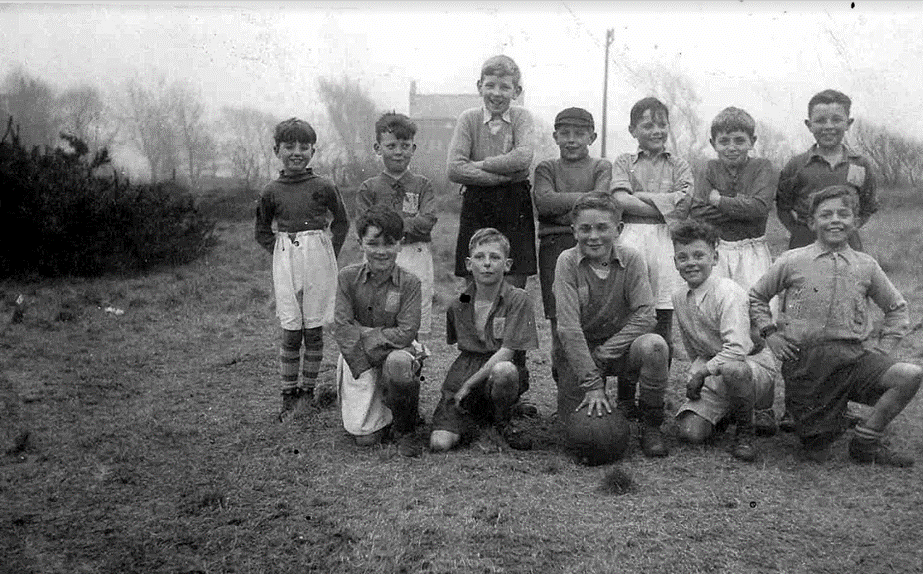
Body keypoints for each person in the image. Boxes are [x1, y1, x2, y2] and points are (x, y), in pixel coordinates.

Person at [750, 185, 922, 466]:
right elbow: (757, 296)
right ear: (812, 222)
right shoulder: (792, 260)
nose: (835, 220)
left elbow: (897, 308)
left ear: (855, 221)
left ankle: (866, 441)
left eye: (844, 214)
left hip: (853, 360)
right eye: (826, 214)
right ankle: (824, 417)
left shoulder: (866, 265)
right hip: (807, 363)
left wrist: (883, 349)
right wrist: (770, 333)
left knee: (910, 375)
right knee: (815, 450)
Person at [553, 192, 671, 458]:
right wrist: (593, 383)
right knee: (577, 433)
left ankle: (650, 424)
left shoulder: (632, 259)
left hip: (617, 349)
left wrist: (606, 352)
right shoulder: (566, 262)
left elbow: (646, 314)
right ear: (574, 231)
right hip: (579, 353)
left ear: (618, 229)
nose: (593, 236)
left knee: (654, 346)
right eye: (585, 228)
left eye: (602, 227)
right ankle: (575, 388)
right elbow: (568, 328)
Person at [688, 106, 780, 436]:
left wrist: (719, 201)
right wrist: (729, 205)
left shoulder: (763, 167)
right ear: (713, 142)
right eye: (724, 140)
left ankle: (764, 406)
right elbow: (698, 211)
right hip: (720, 251)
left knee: (758, 323)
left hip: (752, 250)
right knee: (723, 322)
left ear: (752, 141)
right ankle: (724, 401)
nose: (731, 147)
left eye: (739, 140)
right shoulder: (708, 168)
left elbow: (758, 210)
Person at [255, 117, 349, 421]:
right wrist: (282, 253)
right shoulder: (271, 190)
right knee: (291, 330)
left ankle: (308, 393)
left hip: (319, 262)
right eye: (289, 146)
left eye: (304, 146)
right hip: (287, 262)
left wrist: (326, 252)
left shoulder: (323, 186)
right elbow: (261, 230)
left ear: (313, 150)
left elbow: (343, 221)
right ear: (276, 150)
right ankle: (288, 394)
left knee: (314, 328)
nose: (297, 152)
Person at [610, 96, 693, 413]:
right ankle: (625, 396)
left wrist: (640, 195)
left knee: (662, 321)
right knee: (629, 317)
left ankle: (653, 399)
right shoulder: (624, 162)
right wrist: (664, 202)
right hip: (631, 239)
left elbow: (685, 203)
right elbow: (620, 199)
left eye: (662, 124)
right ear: (633, 130)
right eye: (647, 124)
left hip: (666, 241)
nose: (656, 130)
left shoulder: (679, 164)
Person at [671, 219, 779, 462]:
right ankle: (728, 410)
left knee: (733, 370)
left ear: (715, 258)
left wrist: (700, 374)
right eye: (683, 257)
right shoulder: (678, 297)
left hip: (749, 368)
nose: (691, 263)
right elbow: (694, 349)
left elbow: (738, 350)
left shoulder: (727, 292)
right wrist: (697, 372)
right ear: (675, 262)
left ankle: (745, 431)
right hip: (714, 371)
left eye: (699, 255)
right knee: (690, 433)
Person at [429, 228, 539, 452]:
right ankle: (473, 420)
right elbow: (457, 341)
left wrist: (469, 385)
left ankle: (502, 421)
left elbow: (508, 351)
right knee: (439, 444)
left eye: (495, 257)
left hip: (500, 367)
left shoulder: (518, 299)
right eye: (480, 257)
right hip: (466, 367)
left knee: (504, 370)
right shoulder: (458, 302)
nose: (487, 263)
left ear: (507, 265)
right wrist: (462, 383)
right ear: (469, 264)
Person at [333, 205, 426, 457]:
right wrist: (364, 351)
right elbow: (342, 326)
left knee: (397, 362)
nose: (381, 251)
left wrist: (365, 333)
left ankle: (405, 428)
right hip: (358, 357)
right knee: (366, 439)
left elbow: (407, 332)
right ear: (360, 243)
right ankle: (379, 412)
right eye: (373, 243)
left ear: (400, 244)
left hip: (394, 353)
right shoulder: (346, 277)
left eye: (389, 243)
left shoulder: (410, 283)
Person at [533, 107, 612, 382]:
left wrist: (563, 204)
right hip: (554, 247)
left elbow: (602, 202)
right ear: (555, 136)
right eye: (564, 133)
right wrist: (586, 203)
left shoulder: (602, 167)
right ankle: (564, 393)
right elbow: (543, 203)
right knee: (560, 323)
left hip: (593, 248)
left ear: (592, 136)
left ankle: (593, 385)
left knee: (593, 316)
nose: (571, 140)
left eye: (579, 134)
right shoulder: (546, 168)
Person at [447, 54, 536, 289]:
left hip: (514, 201)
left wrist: (478, 164)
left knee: (515, 273)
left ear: (516, 91)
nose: (496, 93)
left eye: (505, 87)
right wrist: (502, 176)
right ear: (479, 87)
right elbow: (455, 168)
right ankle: (476, 322)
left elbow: (523, 157)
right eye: (490, 86)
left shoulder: (522, 118)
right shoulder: (468, 119)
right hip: (477, 201)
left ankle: (511, 322)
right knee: (474, 274)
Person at [356, 112, 437, 336]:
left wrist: (386, 226)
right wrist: (401, 227)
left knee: (415, 319)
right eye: (391, 146)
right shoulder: (368, 188)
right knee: (378, 317)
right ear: (378, 147)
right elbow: (364, 226)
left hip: (415, 255)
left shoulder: (422, 185)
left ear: (413, 148)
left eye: (405, 145)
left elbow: (427, 220)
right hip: (378, 256)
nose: (398, 152)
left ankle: (413, 367)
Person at [777, 89, 878, 251]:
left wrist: (845, 228)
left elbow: (867, 207)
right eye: (820, 121)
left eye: (836, 120)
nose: (828, 126)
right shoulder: (796, 165)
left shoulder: (860, 164)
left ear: (848, 123)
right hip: (804, 245)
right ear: (809, 125)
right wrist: (801, 232)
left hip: (848, 245)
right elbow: (783, 207)